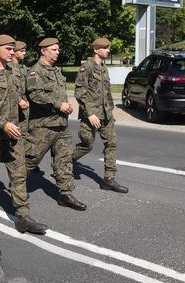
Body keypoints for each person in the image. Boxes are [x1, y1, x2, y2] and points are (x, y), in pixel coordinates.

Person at [0, 35, 47, 234]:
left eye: (13, 49)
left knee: (19, 175)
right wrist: (1, 123)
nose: (12, 52)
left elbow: (17, 97)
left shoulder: (14, 71)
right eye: (8, 48)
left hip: (13, 134)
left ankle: (23, 216)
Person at [24, 38, 87, 211]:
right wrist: (58, 105)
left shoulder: (56, 71)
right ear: (43, 51)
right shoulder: (34, 72)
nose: (57, 52)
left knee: (64, 160)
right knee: (31, 160)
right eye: (53, 49)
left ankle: (65, 194)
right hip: (42, 126)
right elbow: (34, 95)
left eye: (58, 49)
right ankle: (17, 187)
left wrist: (66, 106)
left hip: (61, 124)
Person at [72, 38, 128, 193]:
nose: (108, 50)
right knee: (87, 145)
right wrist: (89, 114)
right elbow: (79, 92)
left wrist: (110, 110)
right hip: (91, 116)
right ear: (96, 50)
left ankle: (108, 179)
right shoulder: (87, 67)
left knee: (111, 143)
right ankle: (66, 161)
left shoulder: (104, 68)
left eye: (108, 47)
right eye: (104, 47)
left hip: (106, 115)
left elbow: (106, 92)